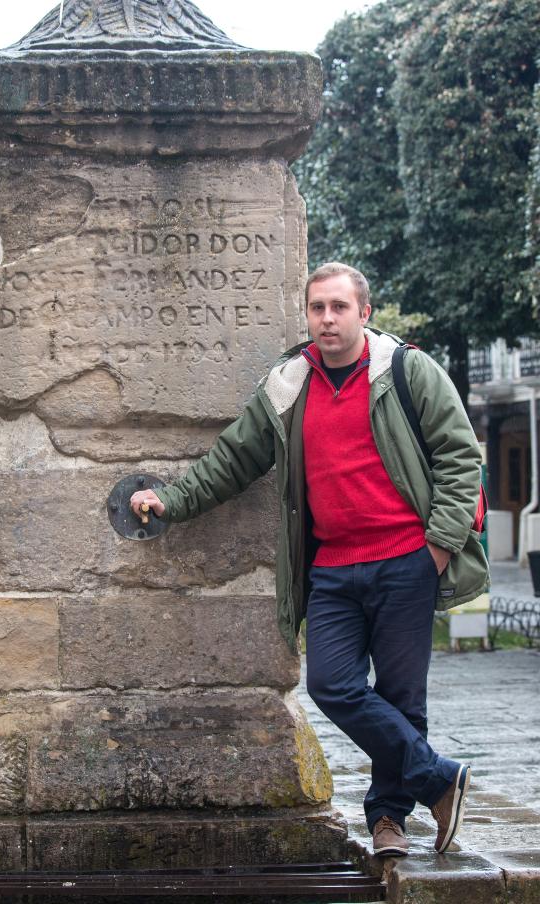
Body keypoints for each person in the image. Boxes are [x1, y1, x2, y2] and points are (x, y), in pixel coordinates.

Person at [130, 261, 489, 857]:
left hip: (407, 561)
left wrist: (438, 547)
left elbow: (459, 456)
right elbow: (234, 458)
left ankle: (388, 821)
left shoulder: (406, 370)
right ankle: (438, 778)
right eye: (317, 307)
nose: (327, 318)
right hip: (333, 569)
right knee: (332, 684)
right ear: (307, 314)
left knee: (402, 698)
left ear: (364, 312)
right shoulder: (289, 383)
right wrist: (171, 500)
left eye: (339, 307)